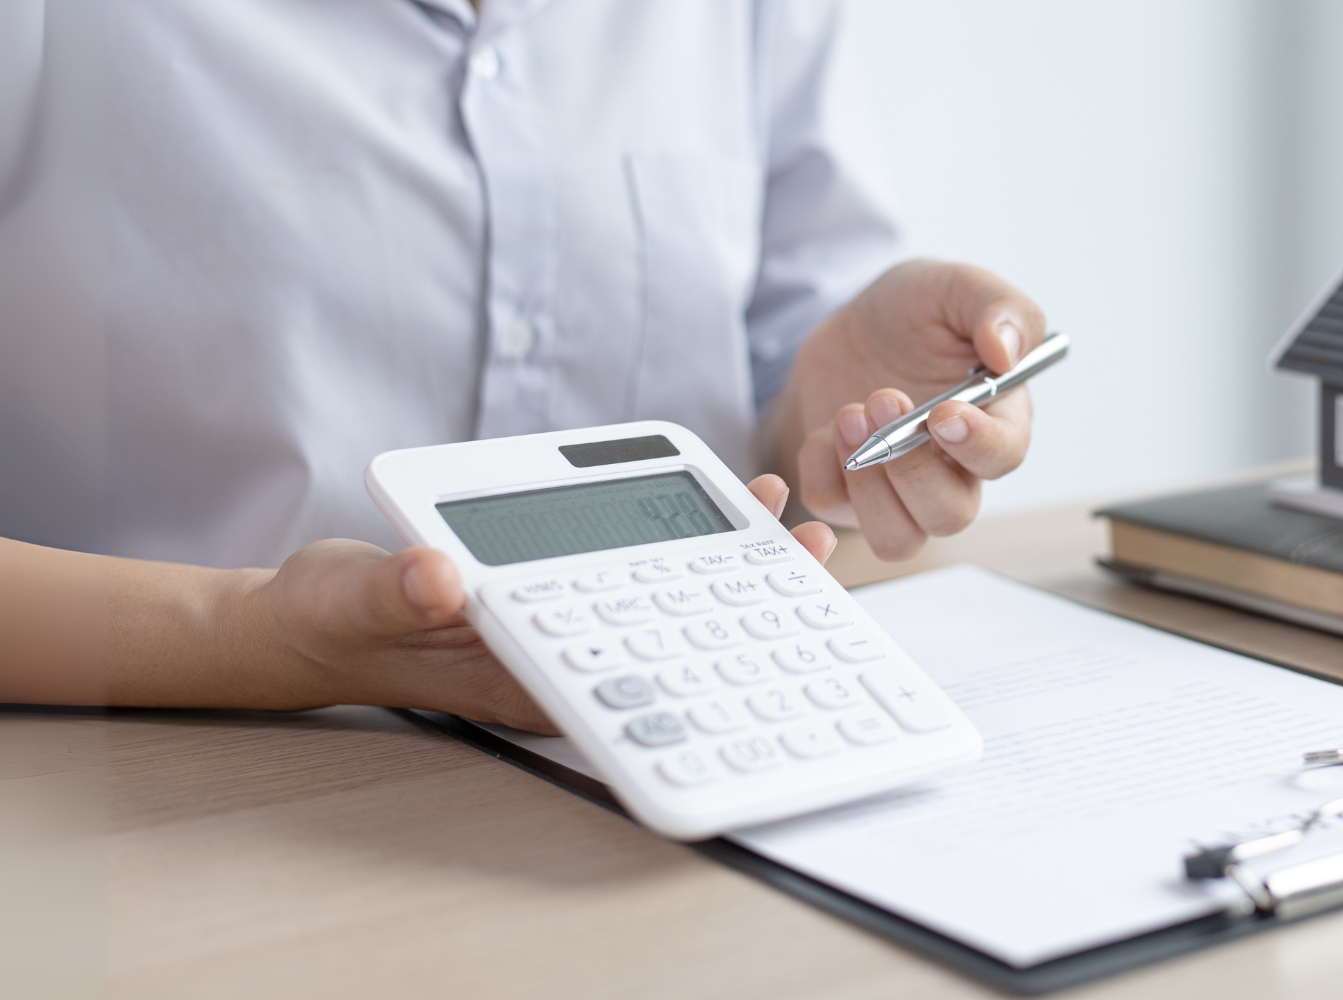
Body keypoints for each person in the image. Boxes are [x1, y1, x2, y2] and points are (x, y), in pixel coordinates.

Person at [0, 1, 1044, 733]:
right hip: (168, 785)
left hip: (664, 736)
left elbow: (767, 390)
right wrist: (264, 641)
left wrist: (825, 411)